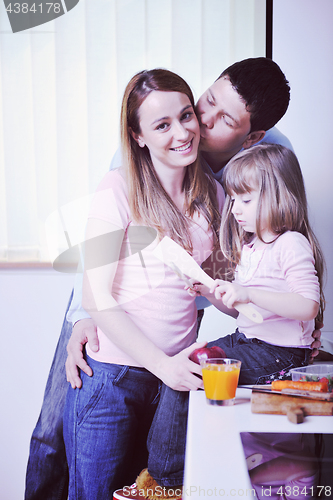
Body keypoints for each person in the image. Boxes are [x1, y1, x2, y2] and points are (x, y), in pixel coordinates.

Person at [24, 58, 322, 500]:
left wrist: (251, 303)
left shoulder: (240, 178)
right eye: (206, 102)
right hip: (112, 356)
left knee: (136, 472)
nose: (194, 125)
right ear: (140, 137)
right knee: (55, 443)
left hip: (169, 355)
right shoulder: (123, 177)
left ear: (251, 136)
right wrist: (86, 314)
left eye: (210, 118)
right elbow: (98, 277)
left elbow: (247, 263)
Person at [115, 143, 325, 500]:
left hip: (283, 354)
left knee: (195, 370)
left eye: (245, 200)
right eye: (232, 199)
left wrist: (249, 293)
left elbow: (307, 305)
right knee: (186, 362)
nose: (235, 210)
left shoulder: (292, 244)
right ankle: (167, 473)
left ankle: (166, 482)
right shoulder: (253, 247)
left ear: (277, 196)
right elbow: (245, 312)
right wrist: (212, 293)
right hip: (252, 341)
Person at [62, 68, 224, 498]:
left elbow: (224, 289)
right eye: (162, 125)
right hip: (110, 380)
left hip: (174, 385)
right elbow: (96, 296)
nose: (182, 133)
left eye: (186, 115)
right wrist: (164, 366)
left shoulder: (216, 196)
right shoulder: (116, 188)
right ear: (137, 136)